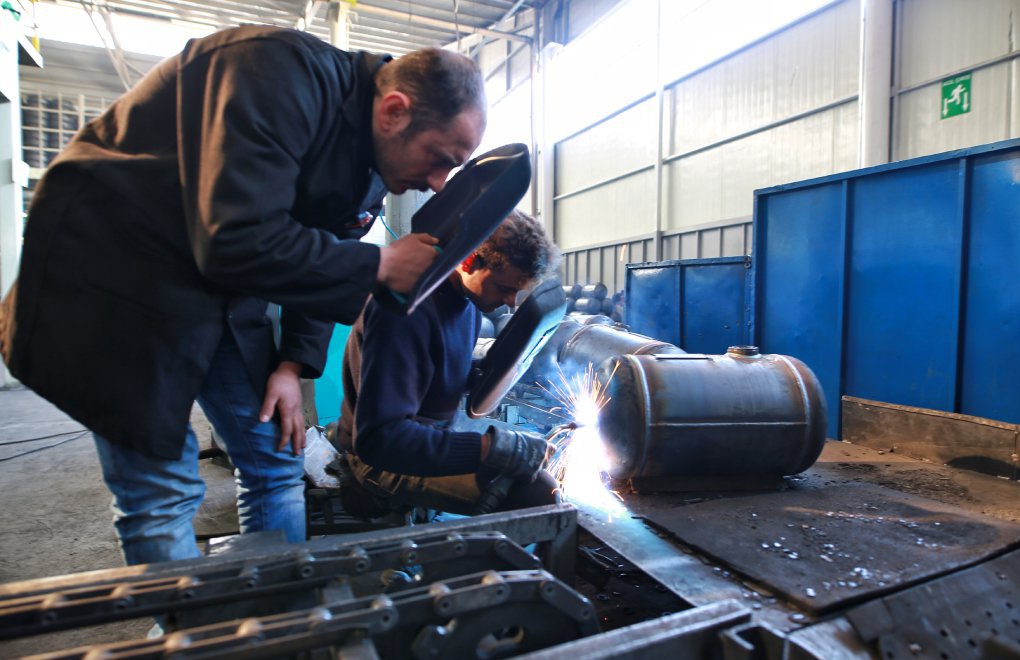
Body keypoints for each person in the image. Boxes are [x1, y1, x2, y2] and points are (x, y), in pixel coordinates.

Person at [0, 25, 487, 566]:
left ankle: (270, 616)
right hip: (114, 283)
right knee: (163, 491)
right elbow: (234, 237)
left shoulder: (372, 163)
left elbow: (319, 255)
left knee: (277, 458)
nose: (441, 181)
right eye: (440, 157)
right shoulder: (272, 73)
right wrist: (380, 262)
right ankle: (190, 637)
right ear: (394, 111)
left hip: (219, 293)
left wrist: (289, 363)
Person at [336, 210, 561, 516]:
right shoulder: (406, 310)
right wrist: (489, 450)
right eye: (504, 288)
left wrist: (493, 372)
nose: (510, 301)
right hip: (380, 462)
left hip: (433, 434)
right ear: (469, 260)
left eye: (517, 292)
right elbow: (381, 440)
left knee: (534, 448)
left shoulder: (467, 306)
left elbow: (433, 374)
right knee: (538, 495)